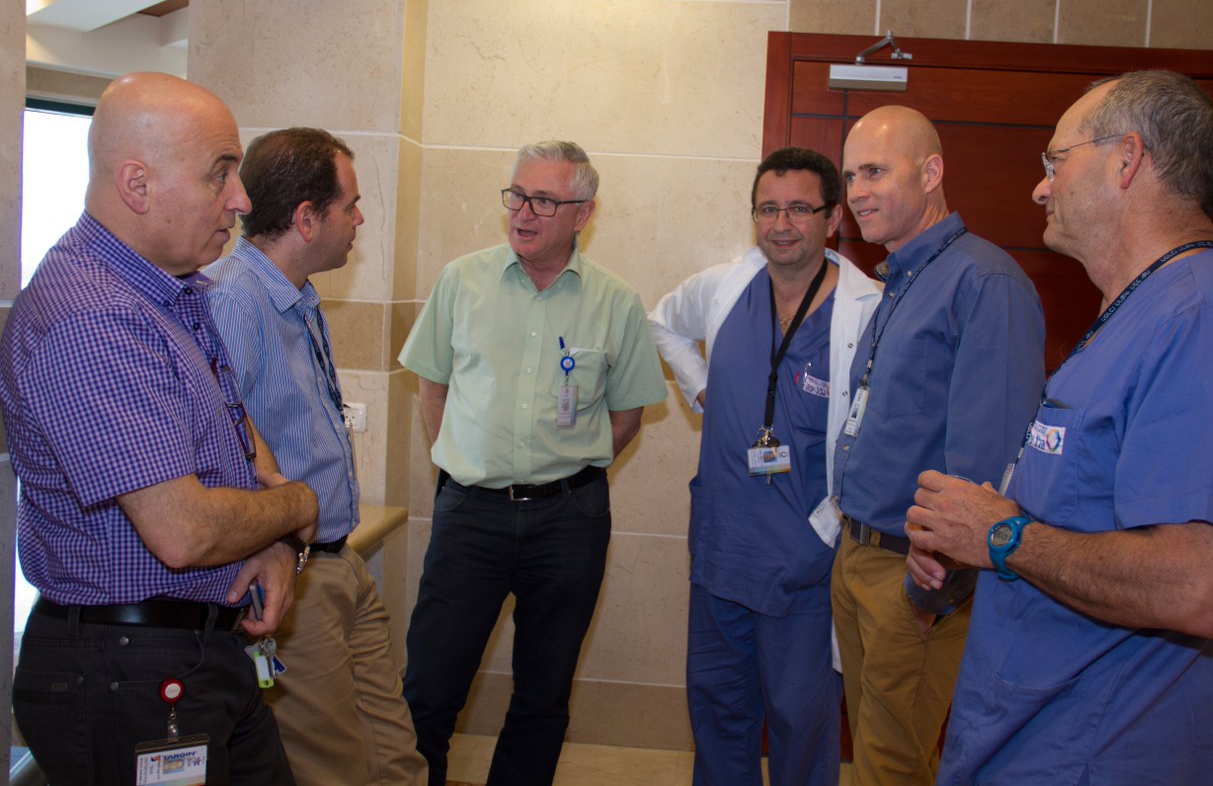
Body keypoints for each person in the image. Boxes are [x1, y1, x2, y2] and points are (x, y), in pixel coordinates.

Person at [907, 70, 1213, 785]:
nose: (1040, 187)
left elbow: (1200, 585)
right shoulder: (1137, 308)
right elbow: (1085, 511)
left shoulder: (1204, 323)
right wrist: (976, 534)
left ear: (1126, 159)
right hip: (1028, 738)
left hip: (1093, 754)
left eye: (1056, 161)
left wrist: (1003, 536)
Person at [0, 72, 318, 785]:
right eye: (220, 173)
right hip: (128, 668)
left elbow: (232, 427)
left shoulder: (167, 291)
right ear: (137, 185)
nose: (241, 199)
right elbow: (183, 531)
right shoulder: (94, 317)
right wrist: (298, 506)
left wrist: (271, 540)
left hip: (195, 652)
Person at [398, 140, 668, 786]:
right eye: (516, 195)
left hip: (569, 520)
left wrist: (567, 471)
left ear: (583, 214)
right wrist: (464, 463)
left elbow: (627, 414)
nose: (522, 211)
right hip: (471, 514)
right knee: (429, 686)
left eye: (544, 200)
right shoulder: (461, 280)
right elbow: (433, 386)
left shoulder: (616, 301)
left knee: (543, 694)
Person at [649, 147, 882, 785]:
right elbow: (662, 323)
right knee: (718, 714)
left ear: (833, 218)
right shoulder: (726, 287)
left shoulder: (869, 311)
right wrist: (704, 389)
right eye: (768, 209)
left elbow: (880, 436)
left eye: (799, 209)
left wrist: (825, 532)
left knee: (801, 724)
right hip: (723, 548)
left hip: (804, 562)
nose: (781, 224)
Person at [204, 127, 429, 785]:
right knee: (332, 770)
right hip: (288, 577)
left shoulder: (297, 296)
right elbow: (221, 455)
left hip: (337, 561)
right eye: (349, 206)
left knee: (396, 760)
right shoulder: (231, 302)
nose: (359, 220)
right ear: (306, 219)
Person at [830, 105, 1045, 784]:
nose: (857, 191)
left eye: (874, 171)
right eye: (850, 176)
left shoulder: (984, 281)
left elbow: (989, 460)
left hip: (916, 574)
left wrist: (939, 584)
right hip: (859, 555)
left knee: (891, 765)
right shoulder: (904, 277)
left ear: (931, 173)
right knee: (873, 753)